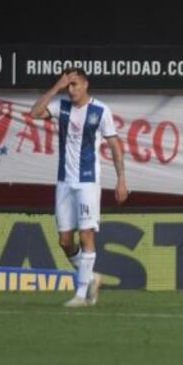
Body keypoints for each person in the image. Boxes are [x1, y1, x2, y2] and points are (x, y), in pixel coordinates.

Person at [30, 68, 128, 307]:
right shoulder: (61, 107)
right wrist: (57, 86)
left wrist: (121, 179)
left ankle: (81, 295)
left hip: (87, 182)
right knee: (65, 241)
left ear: (86, 85)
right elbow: (35, 112)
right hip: (64, 182)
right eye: (68, 85)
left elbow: (115, 146)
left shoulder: (100, 110)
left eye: (74, 84)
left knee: (86, 235)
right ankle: (91, 277)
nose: (71, 89)